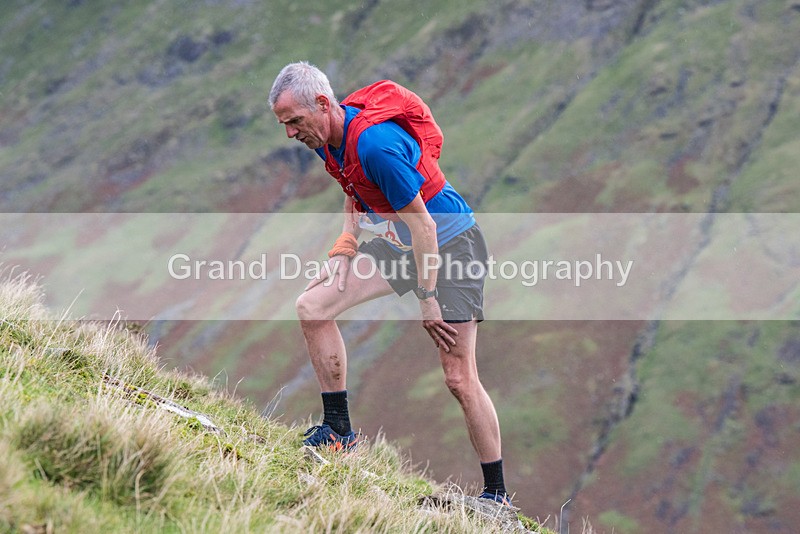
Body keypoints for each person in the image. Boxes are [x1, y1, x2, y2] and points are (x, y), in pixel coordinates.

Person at [268, 61, 511, 506]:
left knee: (459, 377)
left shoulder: (375, 145)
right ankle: (338, 432)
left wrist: (428, 300)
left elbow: (425, 227)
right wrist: (345, 246)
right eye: (284, 124)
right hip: (406, 244)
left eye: (295, 121)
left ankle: (497, 498)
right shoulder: (326, 139)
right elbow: (352, 186)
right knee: (313, 307)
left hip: (452, 247)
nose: (290, 133)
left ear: (322, 104)